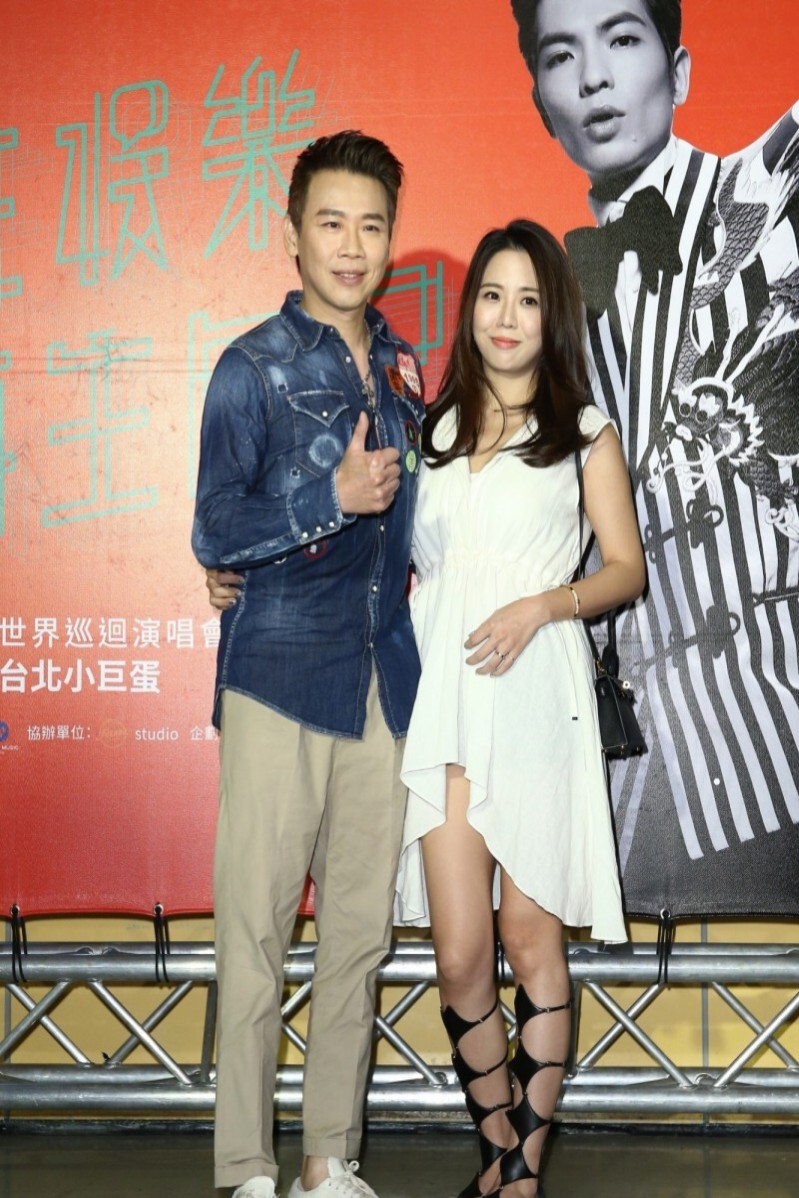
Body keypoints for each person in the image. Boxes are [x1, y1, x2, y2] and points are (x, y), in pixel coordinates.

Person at [509, 0, 799, 917]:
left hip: (769, 728)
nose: (593, 76)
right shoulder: (540, 305)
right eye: (562, 55)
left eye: (622, 39)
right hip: (619, 762)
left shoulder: (772, 190)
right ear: (540, 103)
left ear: (678, 73)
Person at [192, 130, 425, 1198]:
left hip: (380, 679)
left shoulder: (403, 370)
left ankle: (331, 1159)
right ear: (292, 234)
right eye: (330, 222)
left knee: (357, 939)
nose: (351, 245)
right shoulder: (249, 367)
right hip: (279, 674)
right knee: (254, 933)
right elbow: (213, 527)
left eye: (371, 225)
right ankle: (247, 1166)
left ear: (390, 238)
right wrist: (324, 499)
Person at [399, 220, 643, 1197]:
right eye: (492, 296)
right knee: (460, 956)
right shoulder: (431, 432)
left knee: (530, 942)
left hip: (538, 703)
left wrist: (542, 605)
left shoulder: (583, 431)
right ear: (470, 312)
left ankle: (520, 1174)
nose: (507, 317)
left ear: (553, 317)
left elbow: (624, 569)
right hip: (445, 708)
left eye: (528, 299)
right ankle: (499, 1148)